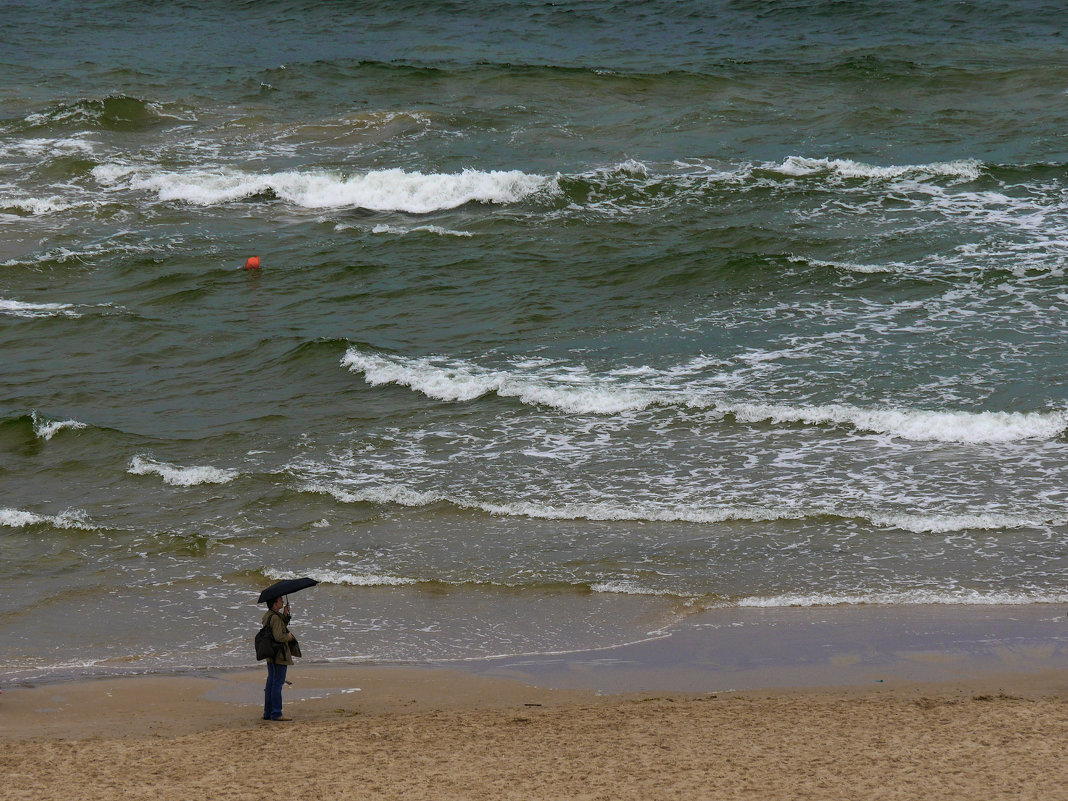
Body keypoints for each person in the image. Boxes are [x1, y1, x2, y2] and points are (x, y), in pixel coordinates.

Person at [262, 595, 300, 721]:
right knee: (277, 684)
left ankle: (268, 713)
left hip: (271, 654)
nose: (282, 601)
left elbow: (276, 628)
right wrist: (288, 637)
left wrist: (285, 614)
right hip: (279, 655)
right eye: (280, 600)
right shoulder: (275, 618)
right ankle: (277, 713)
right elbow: (278, 636)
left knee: (271, 684)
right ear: (274, 603)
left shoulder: (268, 615)